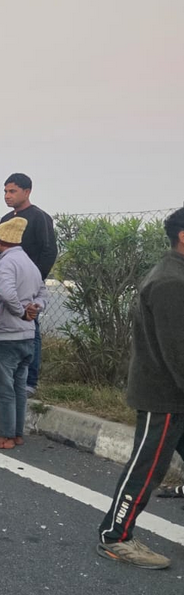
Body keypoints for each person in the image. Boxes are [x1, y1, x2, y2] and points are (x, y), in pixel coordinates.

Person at [95, 208, 184, 569]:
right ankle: (115, 536)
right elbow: (178, 351)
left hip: (174, 392)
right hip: (164, 394)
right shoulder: (171, 283)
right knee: (146, 467)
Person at [0, 217, 46, 450]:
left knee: (4, 388)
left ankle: (4, 436)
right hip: (27, 336)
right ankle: (17, 434)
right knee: (19, 388)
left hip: (7, 334)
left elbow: (5, 292)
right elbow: (42, 293)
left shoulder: (6, 263)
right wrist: (34, 309)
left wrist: (20, 312)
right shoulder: (30, 263)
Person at [1, 173, 57, 393]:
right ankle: (7, 379)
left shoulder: (39, 217)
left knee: (30, 329)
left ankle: (29, 381)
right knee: (6, 332)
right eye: (5, 191)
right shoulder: (6, 220)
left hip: (29, 288)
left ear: (27, 191)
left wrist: (35, 280)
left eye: (12, 191)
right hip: (7, 286)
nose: (8, 196)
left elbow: (49, 250)